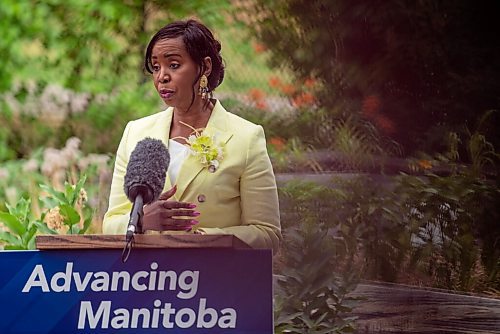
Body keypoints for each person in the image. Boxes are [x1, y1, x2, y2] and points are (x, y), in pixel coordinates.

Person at [102, 19, 281, 252]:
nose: (161, 77)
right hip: (148, 278)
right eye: (156, 67)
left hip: (214, 279)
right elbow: (110, 223)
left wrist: (201, 240)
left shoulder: (246, 138)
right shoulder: (136, 134)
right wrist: (141, 220)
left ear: (205, 67)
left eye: (174, 65)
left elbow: (267, 235)